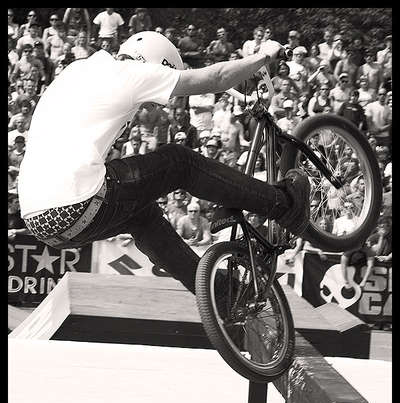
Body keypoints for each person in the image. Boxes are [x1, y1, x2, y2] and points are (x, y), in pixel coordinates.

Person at [18, 31, 310, 297]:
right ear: (154, 63)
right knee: (178, 161)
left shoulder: (78, 71)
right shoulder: (131, 73)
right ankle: (284, 204)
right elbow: (217, 77)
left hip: (41, 220)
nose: (151, 107)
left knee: (143, 218)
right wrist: (263, 56)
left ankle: (222, 294)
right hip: (78, 200)